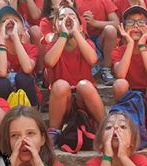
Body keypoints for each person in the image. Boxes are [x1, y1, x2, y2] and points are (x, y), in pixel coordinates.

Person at [44, 6, 105, 141]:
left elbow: (93, 59)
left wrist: (76, 32)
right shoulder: (52, 45)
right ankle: (54, 131)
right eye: (62, 18)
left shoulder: (87, 43)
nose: (67, 19)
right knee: (60, 85)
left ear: (81, 27)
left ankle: (105, 126)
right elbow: (49, 62)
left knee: (84, 85)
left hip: (84, 99)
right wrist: (64, 34)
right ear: (55, 28)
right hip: (62, 101)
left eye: (72, 17)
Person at [0, 105, 69, 166]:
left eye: (30, 133)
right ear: (7, 141)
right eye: (15, 135)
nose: (23, 141)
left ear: (42, 139)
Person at [112, 5, 147, 107]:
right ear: (123, 27)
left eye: (141, 22)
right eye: (130, 22)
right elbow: (120, 75)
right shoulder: (118, 51)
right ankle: (126, 116)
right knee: (119, 83)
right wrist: (130, 44)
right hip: (129, 93)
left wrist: (141, 45)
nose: (136, 26)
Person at [0, 6, 40, 104]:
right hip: (4, 93)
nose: (9, 22)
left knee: (23, 77)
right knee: (1, 82)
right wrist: (2, 39)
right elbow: (1, 72)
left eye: (15, 21)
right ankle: (3, 113)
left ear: (24, 31)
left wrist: (15, 37)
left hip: (27, 97)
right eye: (4, 21)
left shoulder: (31, 48)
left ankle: (32, 113)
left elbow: (27, 68)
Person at [75, 0, 119, 84]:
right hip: (82, 38)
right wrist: (83, 21)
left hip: (100, 39)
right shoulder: (73, 2)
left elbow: (117, 23)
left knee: (111, 30)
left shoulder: (104, 1)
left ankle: (106, 69)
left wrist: (94, 23)